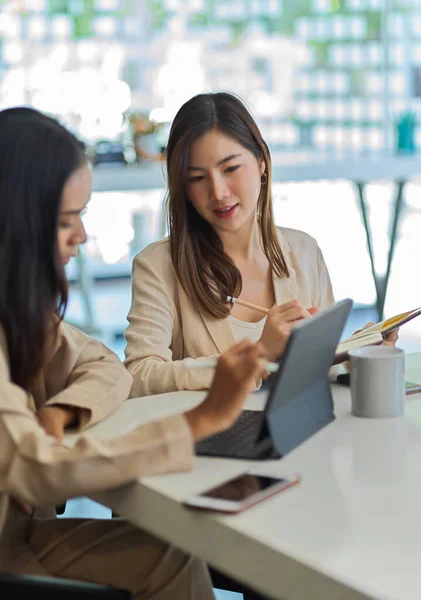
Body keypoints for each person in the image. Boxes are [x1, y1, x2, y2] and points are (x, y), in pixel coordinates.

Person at [0, 106, 269, 600]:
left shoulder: (21, 311)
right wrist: (198, 420)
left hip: (19, 533)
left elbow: (102, 364)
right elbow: (37, 470)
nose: (80, 236)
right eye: (65, 221)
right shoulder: (160, 264)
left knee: (169, 553)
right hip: (9, 556)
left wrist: (61, 411)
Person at [124, 92, 398, 397]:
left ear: (261, 161)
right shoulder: (158, 266)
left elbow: (319, 377)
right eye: (198, 178)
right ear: (183, 188)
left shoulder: (304, 252)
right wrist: (258, 356)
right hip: (211, 440)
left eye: (230, 169)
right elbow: (138, 376)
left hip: (302, 436)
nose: (218, 192)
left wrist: (356, 357)